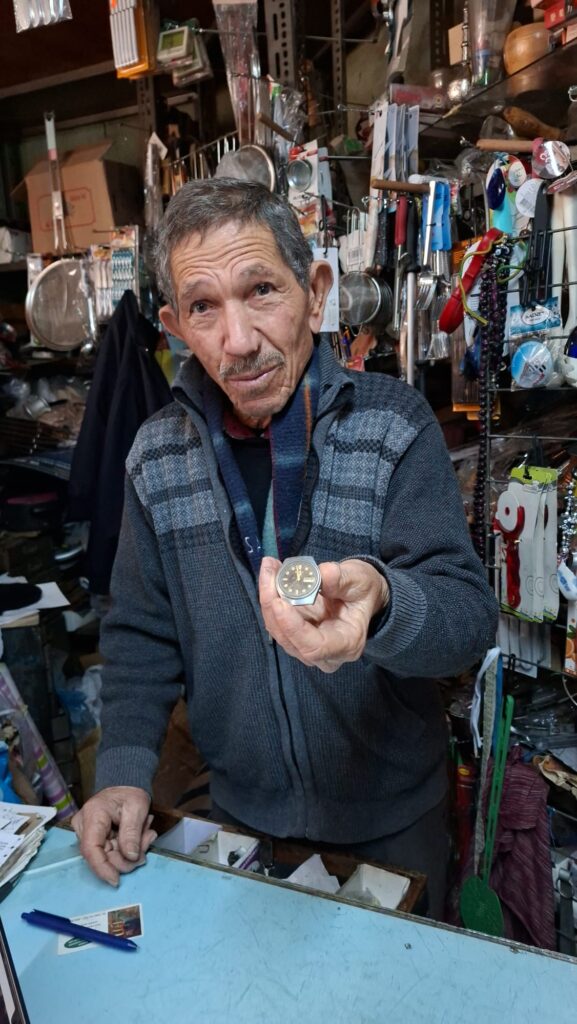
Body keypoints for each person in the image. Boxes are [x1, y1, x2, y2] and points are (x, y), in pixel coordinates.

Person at [72, 179, 498, 919]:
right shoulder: (156, 457)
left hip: (393, 822)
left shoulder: (393, 426)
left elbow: (466, 618)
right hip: (243, 819)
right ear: (174, 326)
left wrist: (384, 604)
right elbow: (140, 636)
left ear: (316, 292)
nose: (237, 341)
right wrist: (122, 771)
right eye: (203, 307)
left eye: (261, 290)